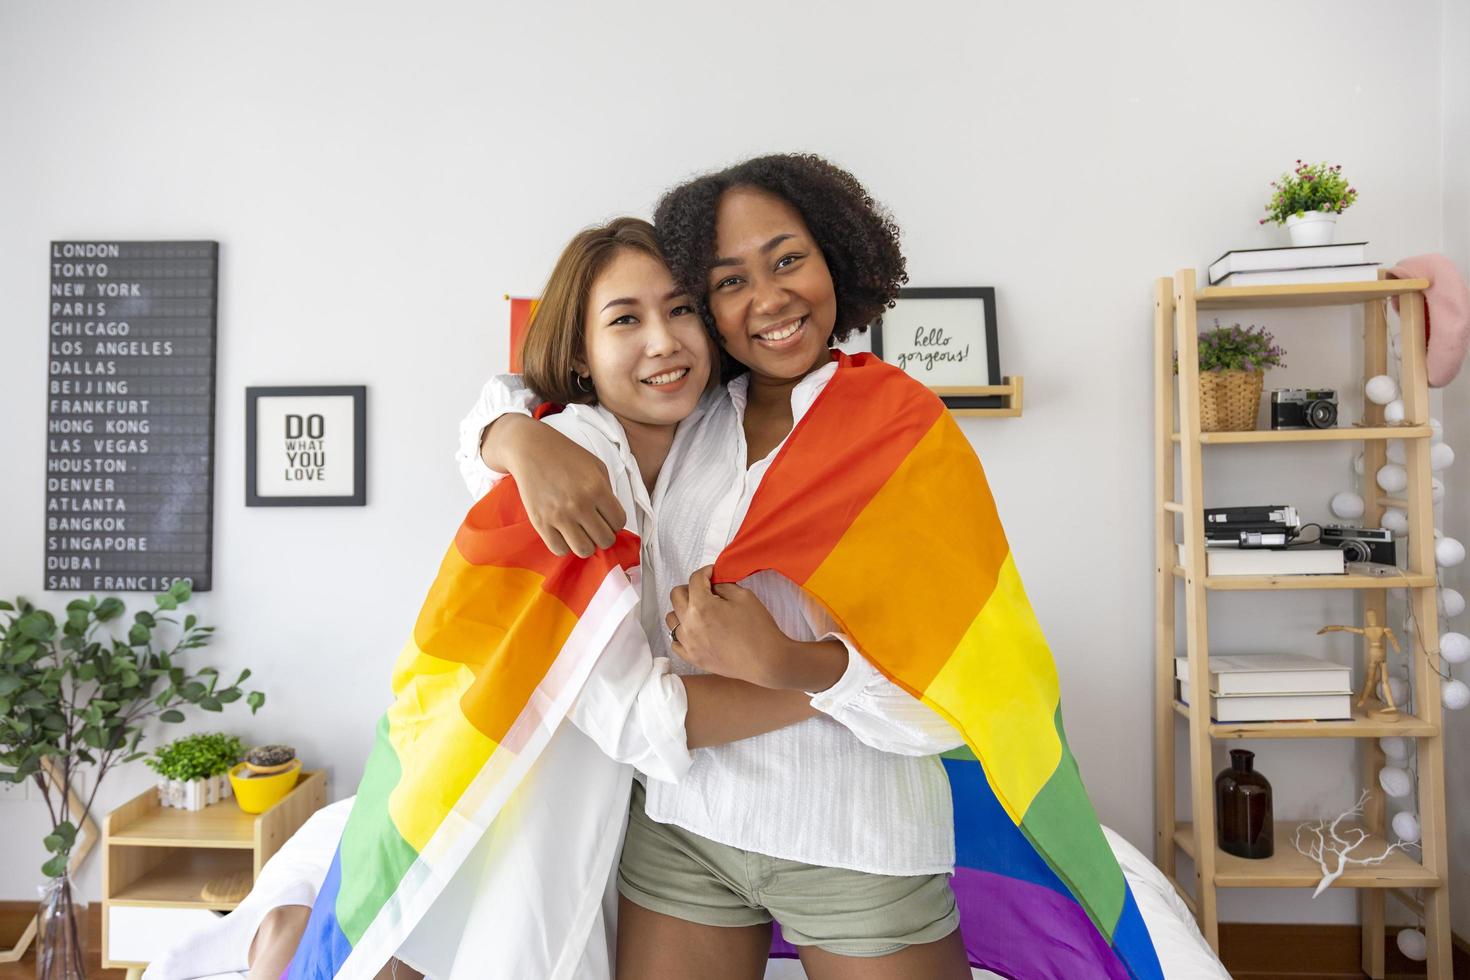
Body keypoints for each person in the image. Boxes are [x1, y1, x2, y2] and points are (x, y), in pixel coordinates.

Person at [464, 156, 973, 980]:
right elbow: (514, 398)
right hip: (684, 828)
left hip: (855, 833)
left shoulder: (902, 432)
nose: (767, 298)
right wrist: (515, 440)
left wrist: (789, 664)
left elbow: (957, 690)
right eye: (729, 281)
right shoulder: (688, 417)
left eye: (787, 260)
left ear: (837, 258)